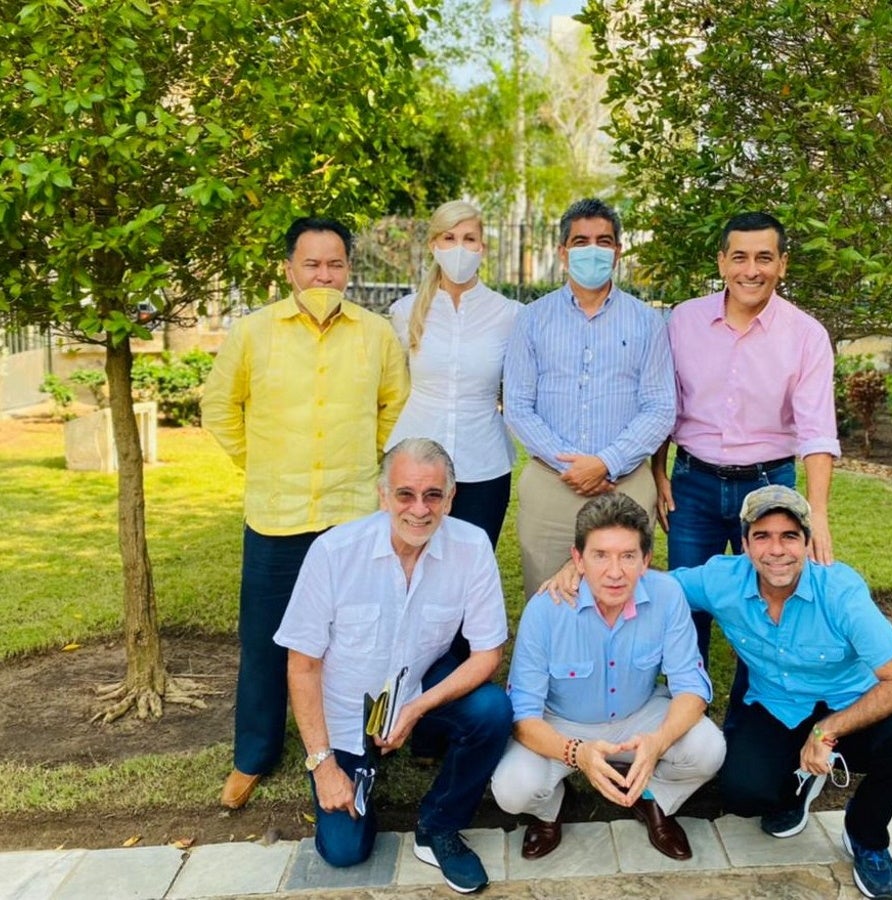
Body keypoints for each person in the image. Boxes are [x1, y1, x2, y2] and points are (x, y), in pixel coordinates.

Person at [201, 216, 409, 811]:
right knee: (264, 641)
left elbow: (396, 405)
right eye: (312, 264)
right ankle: (254, 754)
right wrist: (260, 462)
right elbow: (219, 406)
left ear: (349, 270)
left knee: (358, 636)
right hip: (277, 515)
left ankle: (362, 742)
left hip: (351, 512)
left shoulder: (375, 334)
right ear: (289, 268)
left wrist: (367, 459)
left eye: (335, 264)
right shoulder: (253, 332)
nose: (324, 275)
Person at [670, 485, 892, 900]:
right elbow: (653, 586)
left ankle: (866, 833)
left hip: (850, 709)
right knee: (743, 794)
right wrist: (578, 574)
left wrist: (826, 731)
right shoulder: (721, 579)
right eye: (762, 536)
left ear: (808, 542)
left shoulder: (841, 591)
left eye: (789, 536)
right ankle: (799, 785)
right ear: (745, 544)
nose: (776, 550)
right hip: (778, 706)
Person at [273, 438, 512, 893]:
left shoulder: (471, 546)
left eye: (433, 495)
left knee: (492, 711)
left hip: (415, 689)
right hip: (345, 713)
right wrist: (323, 765)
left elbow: (487, 654)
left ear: (450, 498)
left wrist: (417, 708)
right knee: (345, 852)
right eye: (405, 494)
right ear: (383, 495)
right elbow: (301, 666)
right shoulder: (334, 552)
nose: (419, 510)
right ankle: (359, 769)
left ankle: (439, 824)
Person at [652, 211, 840, 725]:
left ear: (782, 264)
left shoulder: (806, 335)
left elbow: (817, 430)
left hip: (769, 486)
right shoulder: (683, 321)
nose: (751, 270)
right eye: (739, 257)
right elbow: (663, 405)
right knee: (685, 606)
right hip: (692, 485)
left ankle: (749, 725)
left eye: (764, 258)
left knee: (769, 606)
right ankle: (682, 723)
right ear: (721, 262)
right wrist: (658, 472)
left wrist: (818, 514)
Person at [492, 493, 726, 862]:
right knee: (511, 789)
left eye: (628, 556)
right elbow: (522, 716)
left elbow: (691, 687)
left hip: (640, 714)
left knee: (709, 749)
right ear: (578, 559)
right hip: (563, 723)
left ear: (645, 560)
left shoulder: (667, 595)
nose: (615, 572)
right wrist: (576, 753)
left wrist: (658, 741)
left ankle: (652, 797)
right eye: (600, 555)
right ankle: (551, 809)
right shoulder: (545, 610)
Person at [503, 198, 675, 600]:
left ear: (618, 251)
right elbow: (518, 406)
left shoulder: (648, 322)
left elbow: (660, 406)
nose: (592, 250)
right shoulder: (532, 319)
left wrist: (605, 463)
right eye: (581, 242)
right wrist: (573, 467)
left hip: (625, 484)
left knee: (622, 600)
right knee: (550, 599)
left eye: (603, 241)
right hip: (552, 484)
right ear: (563, 252)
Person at [386, 200, 521, 551]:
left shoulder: (509, 315)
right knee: (409, 560)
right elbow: (391, 389)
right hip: (413, 463)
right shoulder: (405, 312)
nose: (459, 248)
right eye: (449, 238)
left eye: (469, 239)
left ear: (482, 247)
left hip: (484, 465)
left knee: (472, 563)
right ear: (434, 245)